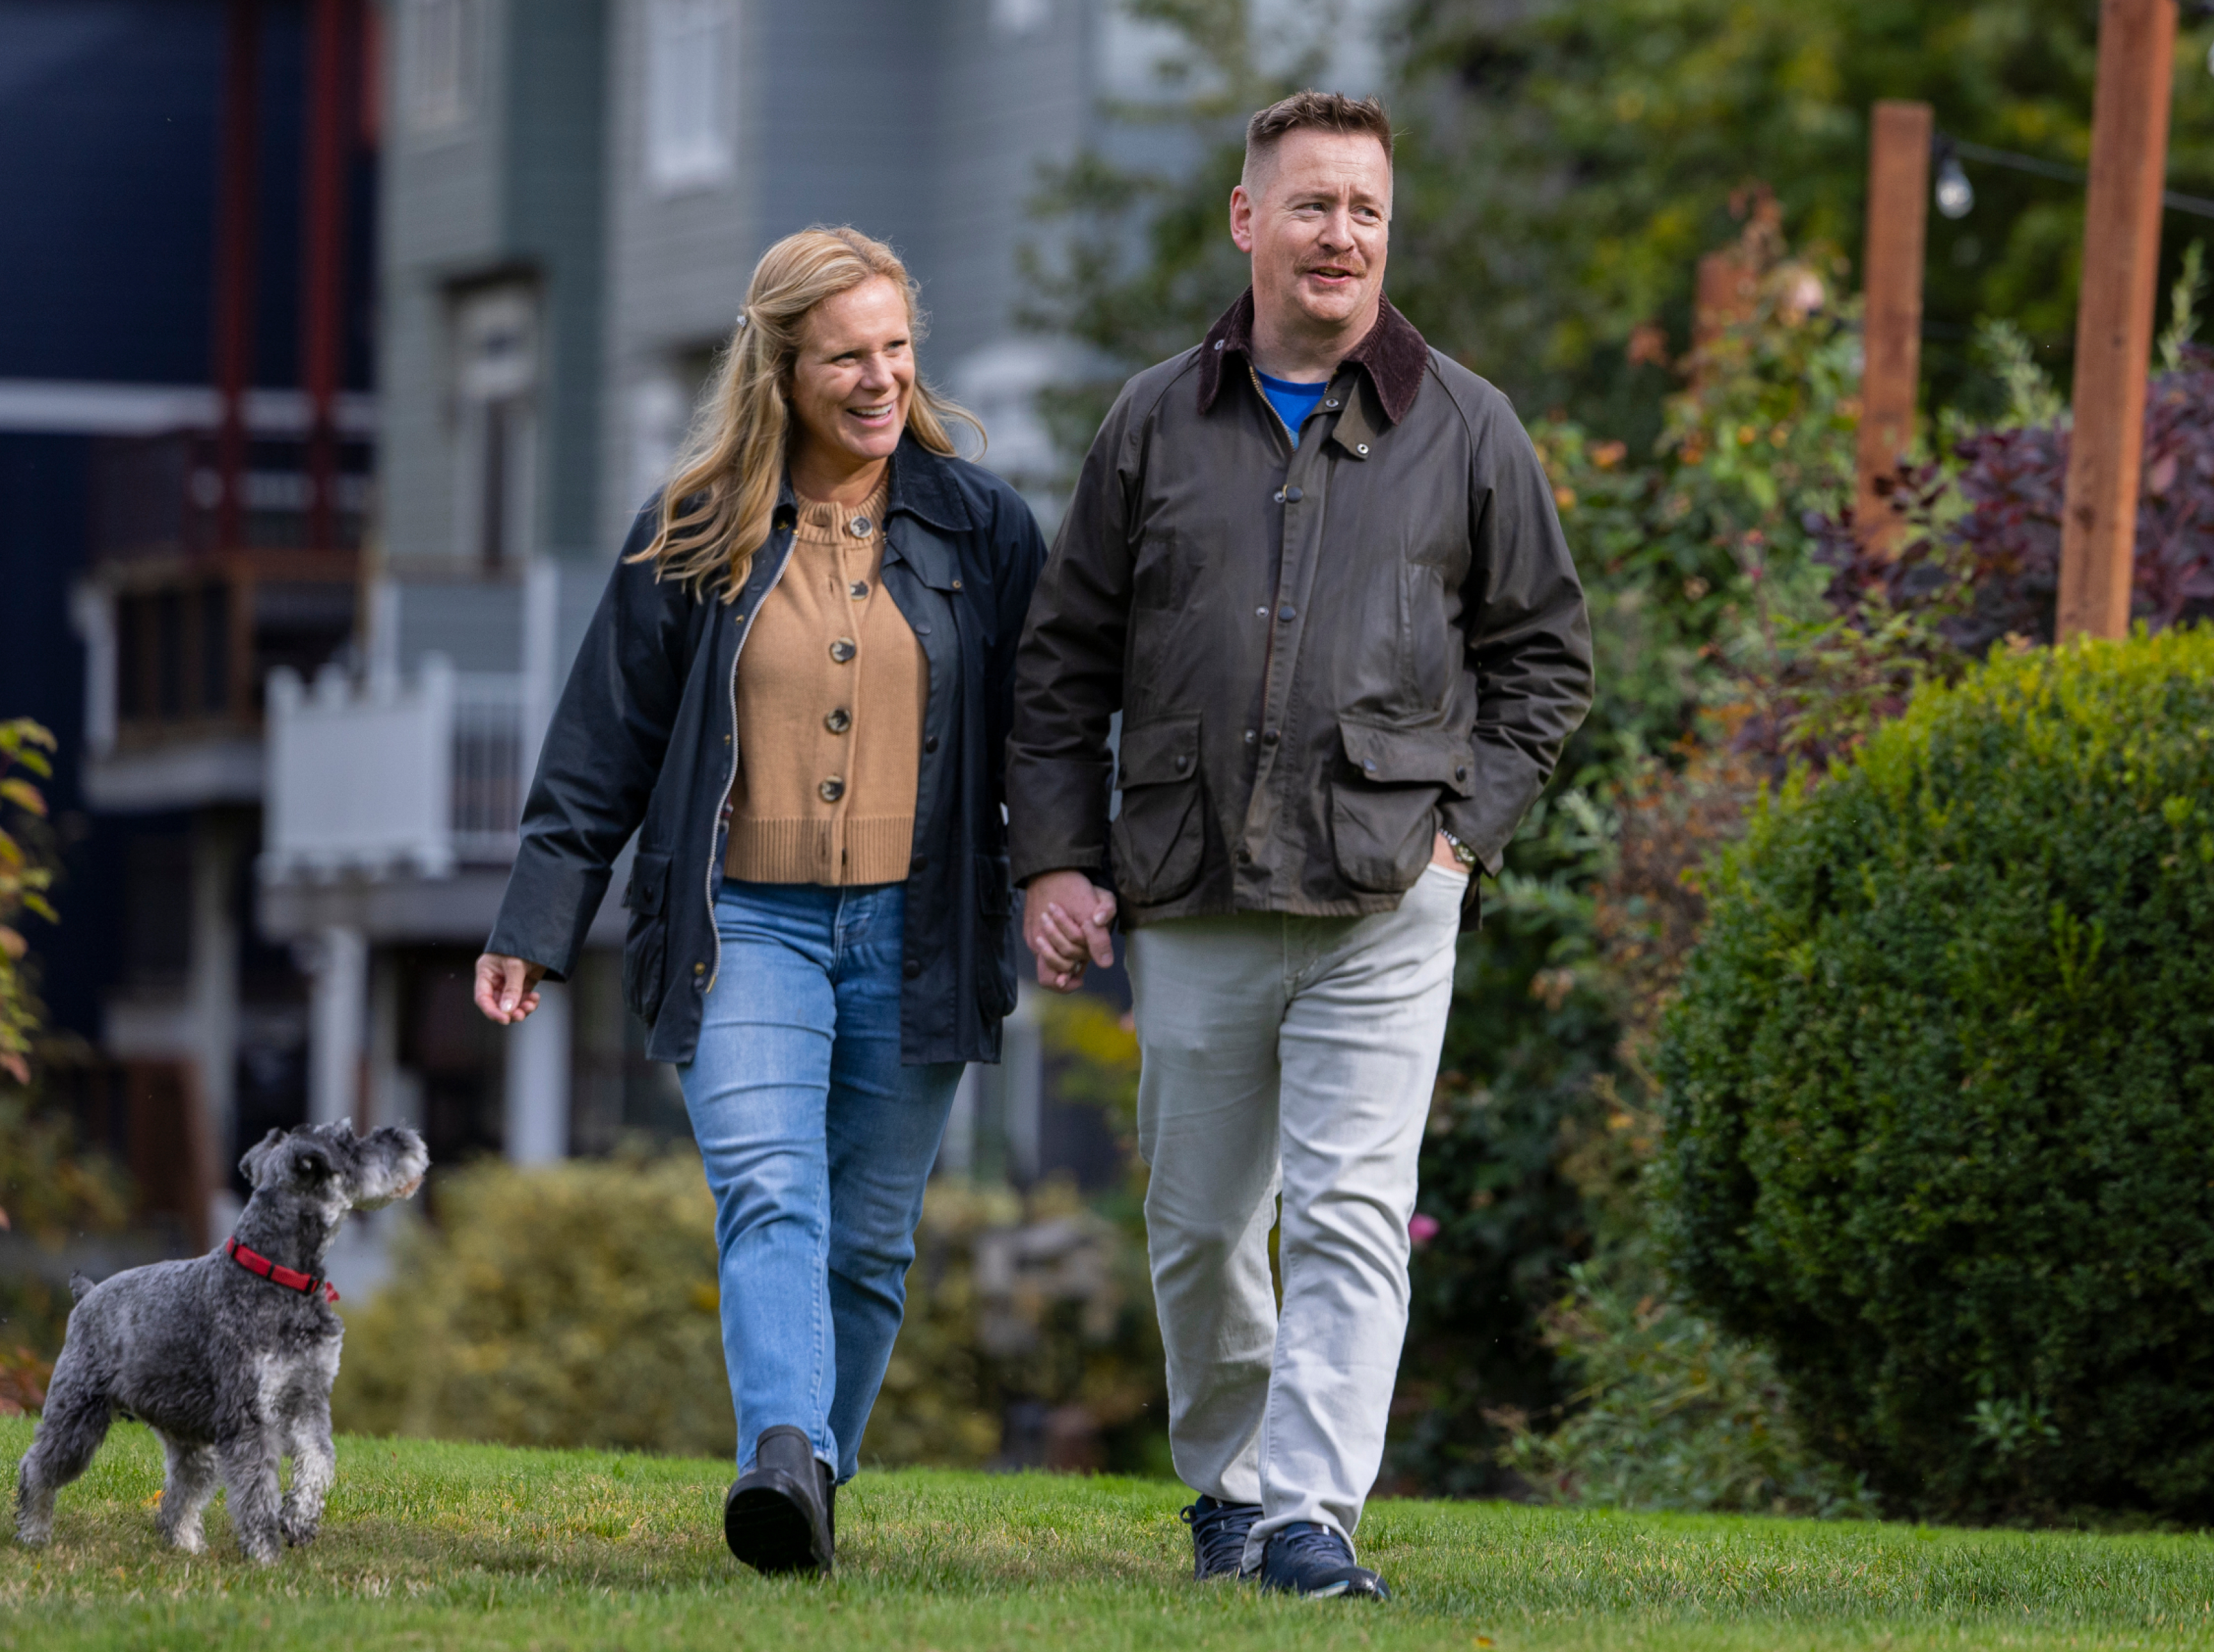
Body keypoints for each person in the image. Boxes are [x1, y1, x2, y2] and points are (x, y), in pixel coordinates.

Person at [1008, 92, 1593, 1600]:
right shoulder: (1151, 420)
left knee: (1346, 1210)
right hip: (1190, 889)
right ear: (1244, 218)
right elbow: (1064, 660)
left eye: (1367, 212)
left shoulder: (1466, 426)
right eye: (1314, 205)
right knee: (1202, 1229)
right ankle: (1229, 1485)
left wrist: (1465, 838)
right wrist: (1057, 859)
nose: (1341, 235)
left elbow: (1544, 660)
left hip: (1390, 891)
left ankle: (1311, 1518)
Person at [474, 226, 1046, 1577]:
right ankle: (781, 1448)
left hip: (919, 932)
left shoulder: (984, 526)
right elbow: (602, 739)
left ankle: (804, 1490)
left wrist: (1074, 877)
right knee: (770, 1194)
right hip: (748, 928)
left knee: (868, 1244)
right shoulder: (694, 525)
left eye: (897, 349)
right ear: (779, 365)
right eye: (846, 355)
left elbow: (1045, 728)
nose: (879, 378)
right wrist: (535, 917)